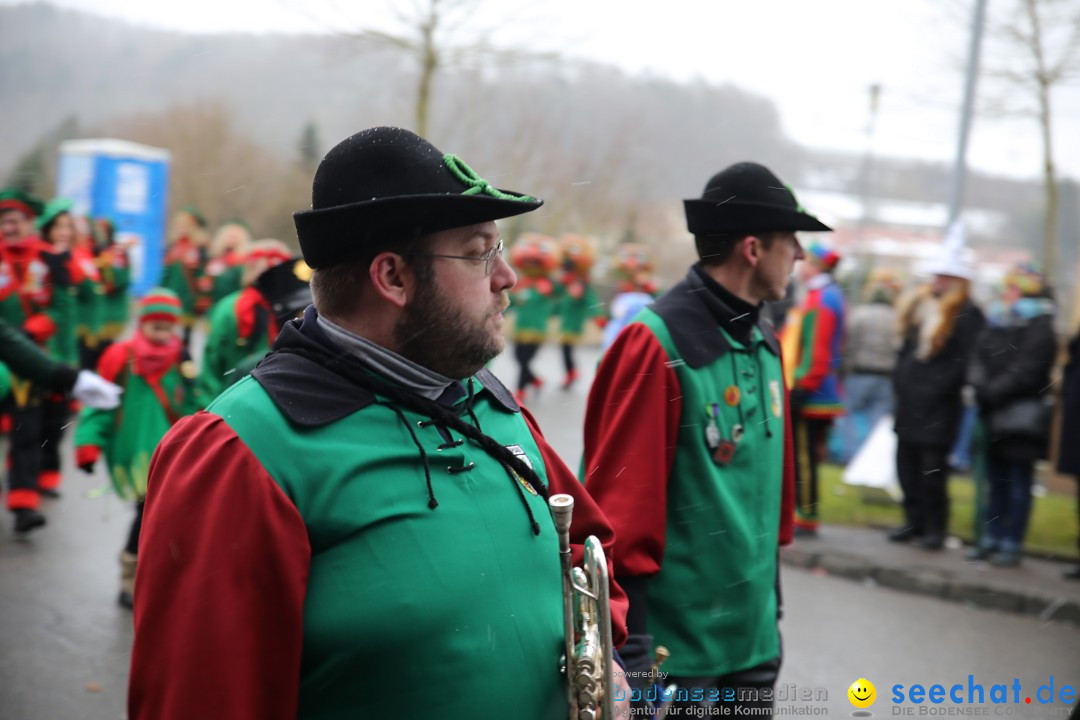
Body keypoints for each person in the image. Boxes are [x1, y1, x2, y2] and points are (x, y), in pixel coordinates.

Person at [128, 126, 629, 720]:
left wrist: (616, 669)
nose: (507, 278)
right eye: (478, 253)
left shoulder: (490, 402)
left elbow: (594, 566)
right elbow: (200, 699)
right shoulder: (243, 450)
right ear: (392, 278)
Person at [581, 162, 830, 715]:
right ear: (752, 248)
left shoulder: (764, 337)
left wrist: (772, 611)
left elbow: (768, 504)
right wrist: (635, 650)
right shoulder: (655, 343)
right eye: (792, 239)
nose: (801, 254)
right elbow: (619, 510)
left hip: (753, 643)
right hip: (678, 655)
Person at [73, 288, 201, 607]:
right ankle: (130, 577)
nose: (162, 334)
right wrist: (87, 441)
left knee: (171, 517)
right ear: (141, 323)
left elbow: (196, 400)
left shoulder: (181, 357)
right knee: (146, 515)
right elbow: (99, 404)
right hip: (135, 455)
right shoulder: (120, 356)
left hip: (174, 452)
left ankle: (159, 574)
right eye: (155, 326)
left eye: (168, 327)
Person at [890, 224, 985, 550]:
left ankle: (934, 527)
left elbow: (963, 361)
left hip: (938, 405)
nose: (938, 282)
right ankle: (912, 521)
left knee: (932, 470)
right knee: (907, 465)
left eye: (945, 276)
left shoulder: (967, 314)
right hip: (910, 400)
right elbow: (907, 349)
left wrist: (935, 388)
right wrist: (902, 380)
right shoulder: (922, 307)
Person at [966, 264, 1056, 567]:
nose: (1007, 294)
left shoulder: (1041, 327)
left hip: (1020, 418)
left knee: (1017, 482)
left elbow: (1027, 370)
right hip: (992, 414)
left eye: (1014, 288)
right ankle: (990, 537)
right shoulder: (996, 321)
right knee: (995, 480)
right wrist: (980, 385)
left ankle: (1011, 541)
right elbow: (978, 356)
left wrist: (992, 391)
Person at [781, 242, 845, 537]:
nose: (801, 268)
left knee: (804, 456)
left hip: (814, 391)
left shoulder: (821, 300)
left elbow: (817, 352)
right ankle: (804, 511)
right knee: (807, 453)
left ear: (817, 267)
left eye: (806, 264)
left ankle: (806, 515)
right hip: (819, 389)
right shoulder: (828, 295)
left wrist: (802, 385)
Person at [197, 239, 306, 399]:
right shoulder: (232, 309)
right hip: (237, 394)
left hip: (264, 394)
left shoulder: (292, 306)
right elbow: (212, 363)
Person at [836, 268, 901, 464]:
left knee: (848, 415)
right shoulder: (896, 318)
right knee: (879, 421)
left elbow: (849, 344)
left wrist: (844, 370)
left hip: (859, 373)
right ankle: (872, 460)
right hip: (886, 377)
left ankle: (850, 454)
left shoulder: (860, 314)